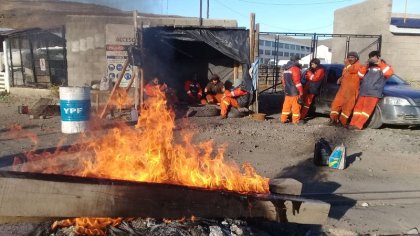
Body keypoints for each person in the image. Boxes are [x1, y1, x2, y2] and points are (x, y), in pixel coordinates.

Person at [348, 50, 394, 130]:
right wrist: (365, 66)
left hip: (374, 92)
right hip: (363, 91)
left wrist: (379, 63)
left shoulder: (384, 66)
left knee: (366, 110)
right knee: (357, 109)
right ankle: (352, 124)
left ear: (378, 57)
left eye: (373, 57)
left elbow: (389, 73)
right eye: (370, 57)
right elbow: (360, 76)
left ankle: (358, 125)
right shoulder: (368, 67)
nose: (371, 59)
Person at [329, 51, 362, 126]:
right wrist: (340, 78)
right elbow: (345, 74)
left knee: (347, 107)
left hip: (351, 91)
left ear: (356, 59)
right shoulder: (347, 66)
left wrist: (347, 63)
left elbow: (352, 70)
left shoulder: (358, 66)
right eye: (349, 57)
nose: (350, 59)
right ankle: (333, 120)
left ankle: (342, 122)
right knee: (335, 104)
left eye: (352, 57)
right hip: (342, 90)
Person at [280, 55, 304, 124]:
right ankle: (296, 121)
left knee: (286, 105)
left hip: (287, 91)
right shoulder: (295, 68)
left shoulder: (286, 69)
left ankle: (283, 119)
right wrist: (301, 91)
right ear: (296, 61)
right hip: (294, 91)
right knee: (296, 106)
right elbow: (297, 82)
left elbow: (283, 81)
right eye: (298, 60)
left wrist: (286, 88)